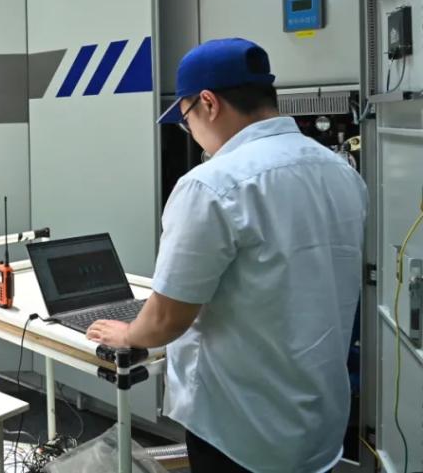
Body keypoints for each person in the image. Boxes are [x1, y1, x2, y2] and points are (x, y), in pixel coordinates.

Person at [86, 38, 366, 473]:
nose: (191, 132)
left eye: (186, 119)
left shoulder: (211, 185)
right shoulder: (340, 171)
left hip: (241, 431)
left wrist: (128, 334)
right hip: (318, 421)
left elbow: (166, 319)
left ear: (209, 104)